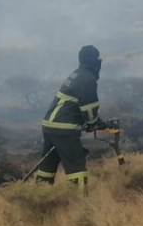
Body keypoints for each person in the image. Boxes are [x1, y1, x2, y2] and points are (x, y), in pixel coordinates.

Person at [37, 45, 105, 189]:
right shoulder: (87, 79)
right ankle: (79, 202)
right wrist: (93, 122)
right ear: (94, 61)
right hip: (64, 129)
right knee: (76, 166)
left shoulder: (77, 74)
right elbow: (89, 107)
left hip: (50, 126)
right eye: (99, 59)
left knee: (47, 165)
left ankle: (39, 196)